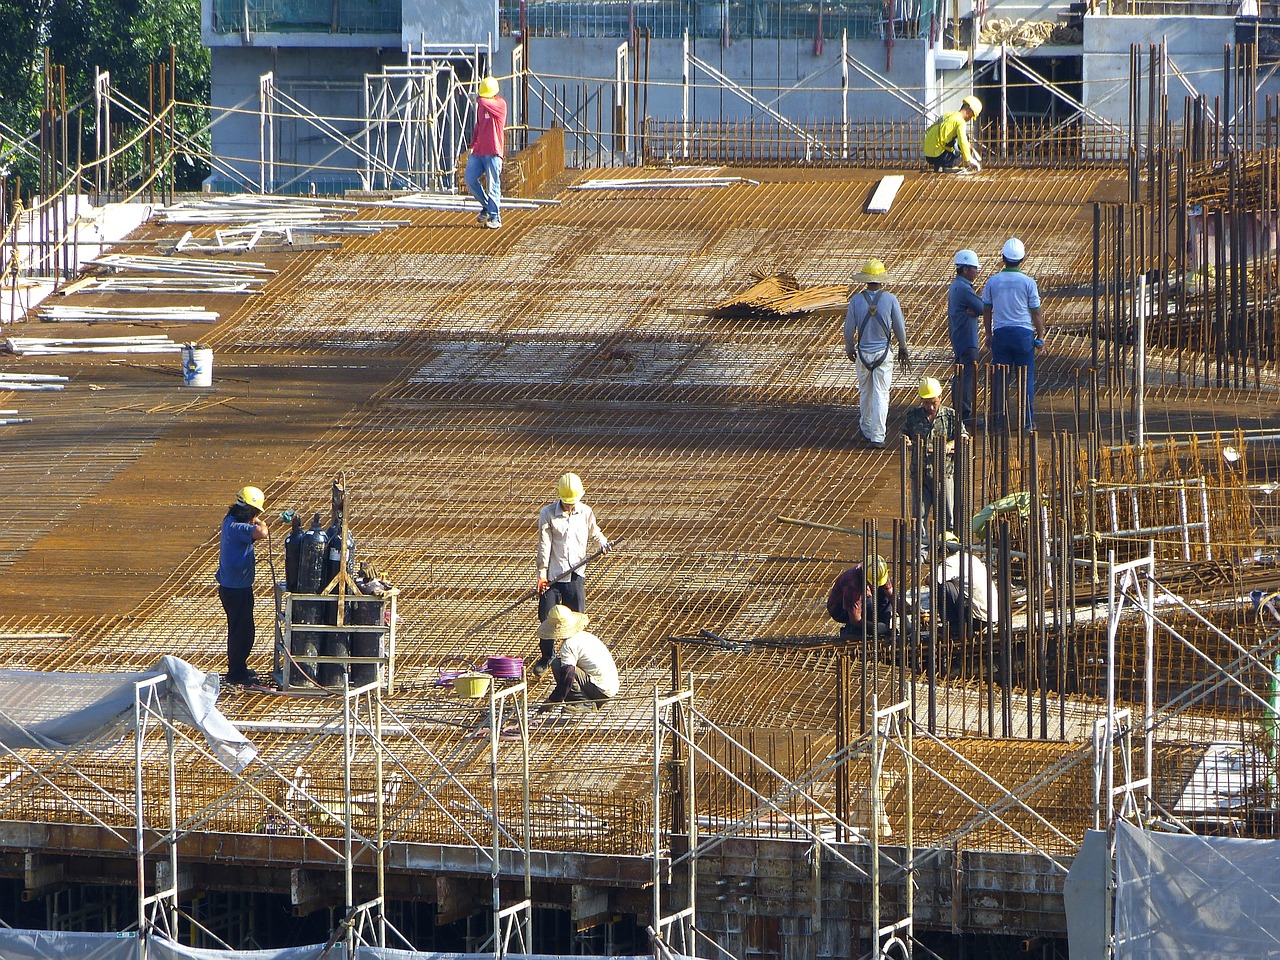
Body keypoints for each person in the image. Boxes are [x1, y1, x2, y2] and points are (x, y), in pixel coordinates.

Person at [533, 472, 610, 678]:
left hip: (575, 574)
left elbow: (595, 532)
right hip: (553, 575)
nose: (569, 505)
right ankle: (547, 656)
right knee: (546, 616)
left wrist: (603, 543)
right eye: (566, 502)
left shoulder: (585, 512)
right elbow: (544, 546)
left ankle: (574, 658)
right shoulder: (548, 513)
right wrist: (542, 575)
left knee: (577, 618)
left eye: (572, 501)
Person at [843, 258, 911, 449]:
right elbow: (899, 327)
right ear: (882, 279)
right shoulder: (890, 299)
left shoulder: (856, 301)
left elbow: (848, 330)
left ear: (865, 280)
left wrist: (849, 348)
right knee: (881, 394)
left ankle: (866, 429)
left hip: (863, 354)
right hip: (883, 354)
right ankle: (878, 436)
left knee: (866, 392)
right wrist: (903, 347)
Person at [982, 237, 1045, 431]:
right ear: (1022, 259)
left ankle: (998, 423)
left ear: (1003, 257)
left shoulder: (993, 281)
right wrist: (1040, 336)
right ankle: (1027, 423)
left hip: (1001, 334)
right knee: (1025, 379)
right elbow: (1036, 312)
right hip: (1023, 335)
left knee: (1000, 380)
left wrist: (988, 334)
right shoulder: (1028, 282)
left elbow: (987, 310)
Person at [901, 377, 964, 553]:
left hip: (944, 474)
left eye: (933, 402)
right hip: (920, 474)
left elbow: (963, 436)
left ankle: (946, 550)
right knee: (918, 516)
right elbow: (904, 434)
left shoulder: (950, 416)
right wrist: (906, 440)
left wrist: (950, 445)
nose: (930, 407)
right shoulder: (913, 416)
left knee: (946, 516)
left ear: (940, 398)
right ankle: (921, 552)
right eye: (926, 403)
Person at [216, 485, 269, 685]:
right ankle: (236, 674)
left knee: (239, 630)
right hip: (236, 590)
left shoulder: (229, 520)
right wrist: (258, 521)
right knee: (242, 633)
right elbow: (262, 532)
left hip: (234, 587)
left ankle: (239, 667)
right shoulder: (237, 528)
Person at [537, 604, 620, 708]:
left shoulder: (569, 645)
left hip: (600, 692)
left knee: (557, 664)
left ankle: (583, 703)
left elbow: (568, 675)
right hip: (610, 689)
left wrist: (553, 700)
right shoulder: (585, 636)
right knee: (565, 665)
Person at [935, 532, 998, 641]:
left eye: (938, 552)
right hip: (989, 617)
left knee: (941, 586)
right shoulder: (971, 558)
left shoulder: (951, 562)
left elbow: (930, 579)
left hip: (976, 619)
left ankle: (955, 628)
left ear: (946, 550)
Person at [465, 75, 507, 229]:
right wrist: (473, 144)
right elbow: (478, 125)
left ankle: (495, 218)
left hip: (493, 152)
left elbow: (483, 101)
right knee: (469, 179)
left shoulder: (500, 104)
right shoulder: (482, 106)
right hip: (479, 151)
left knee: (493, 185)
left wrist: (476, 98)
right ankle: (487, 206)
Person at [948, 249, 984, 427]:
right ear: (965, 269)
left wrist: (976, 310)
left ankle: (960, 412)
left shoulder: (957, 286)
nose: (977, 271)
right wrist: (978, 310)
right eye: (974, 268)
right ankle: (965, 415)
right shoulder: (963, 289)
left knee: (961, 375)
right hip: (967, 340)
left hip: (960, 338)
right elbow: (983, 307)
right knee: (967, 377)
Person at [827, 557, 894, 639]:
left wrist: (905, 622)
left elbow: (892, 596)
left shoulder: (879, 573)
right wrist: (874, 627)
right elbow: (856, 620)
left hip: (859, 600)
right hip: (840, 609)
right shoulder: (853, 585)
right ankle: (852, 631)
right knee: (867, 602)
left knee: (885, 594)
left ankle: (883, 630)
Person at [922, 96, 983, 174]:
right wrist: (968, 159)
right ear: (969, 110)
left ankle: (939, 167)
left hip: (928, 155)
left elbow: (928, 131)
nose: (970, 118)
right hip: (940, 156)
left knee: (951, 140)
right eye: (972, 115)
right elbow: (962, 141)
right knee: (963, 140)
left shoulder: (948, 115)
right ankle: (948, 166)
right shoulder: (960, 121)